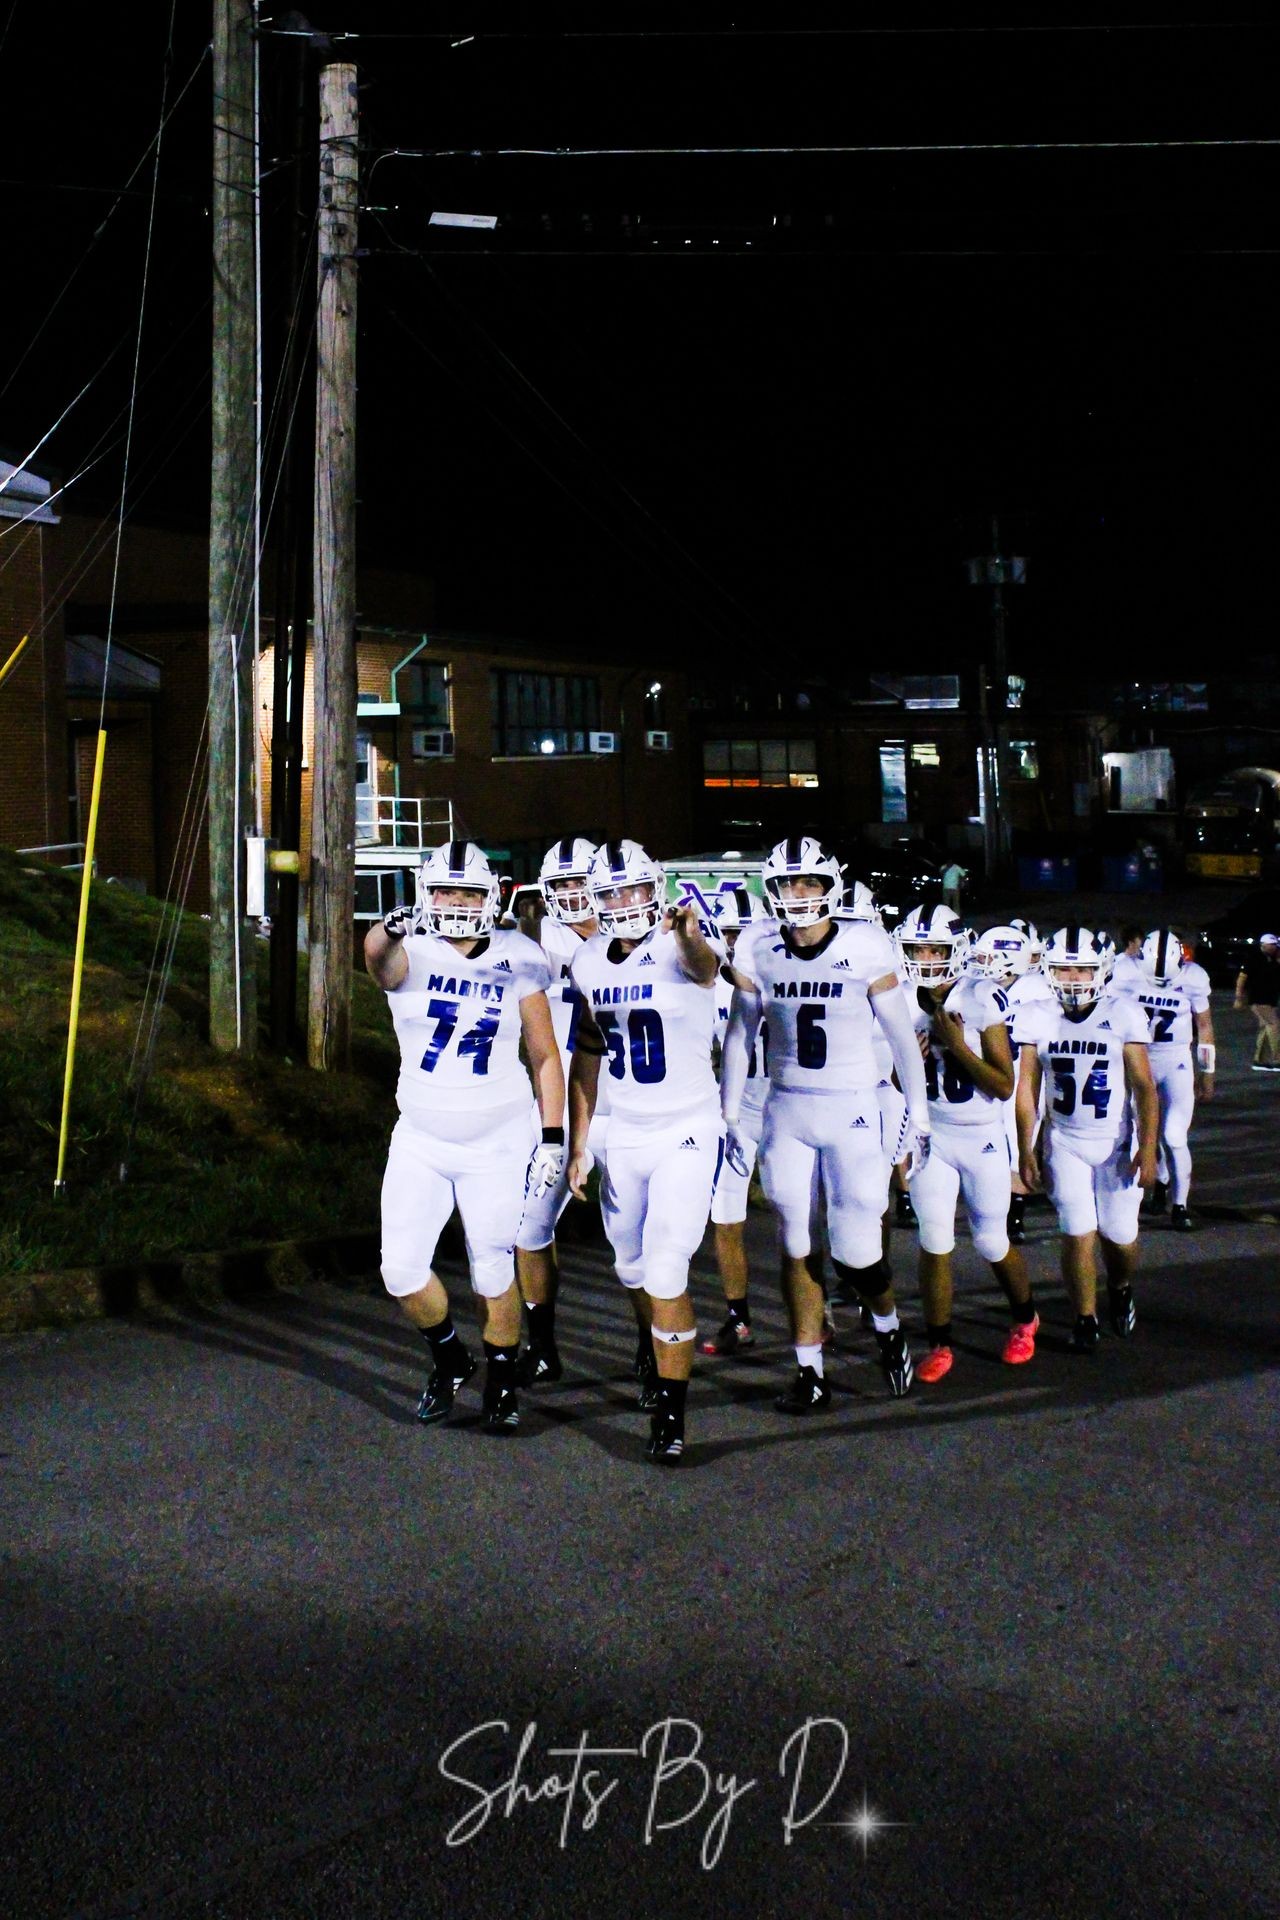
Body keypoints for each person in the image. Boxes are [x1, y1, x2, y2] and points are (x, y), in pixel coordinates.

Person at [720, 836, 931, 1410]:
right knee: (794, 1242)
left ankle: (888, 1327)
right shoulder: (758, 945)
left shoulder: (863, 943)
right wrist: (729, 1115)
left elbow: (900, 1039)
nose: (798, 894)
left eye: (809, 882)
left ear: (830, 886)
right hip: (787, 1107)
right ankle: (810, 1370)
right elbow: (740, 1038)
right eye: (787, 884)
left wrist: (920, 1115)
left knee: (857, 1250)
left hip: (853, 1106)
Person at [365, 840, 565, 1433]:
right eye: (445, 891)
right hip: (422, 1135)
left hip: (498, 1137)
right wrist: (385, 928)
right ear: (425, 896)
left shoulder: (519, 955)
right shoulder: (411, 949)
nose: (456, 902)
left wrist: (552, 1137)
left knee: (492, 1269)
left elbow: (545, 1055)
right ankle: (450, 1356)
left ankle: (502, 1382)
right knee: (399, 1270)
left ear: (490, 896)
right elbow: (378, 960)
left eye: (468, 891)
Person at [565, 838, 723, 1466]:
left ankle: (670, 1410)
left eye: (634, 889)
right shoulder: (587, 961)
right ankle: (652, 1340)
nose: (626, 903)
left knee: (664, 1268)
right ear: (597, 901)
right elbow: (587, 1054)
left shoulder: (681, 942)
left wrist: (685, 932)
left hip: (687, 1126)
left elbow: (706, 967)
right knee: (629, 1267)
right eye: (613, 893)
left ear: (654, 888)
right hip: (625, 1130)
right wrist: (580, 1143)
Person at [897, 907, 1040, 1380]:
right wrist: (907, 1068)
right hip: (932, 1135)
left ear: (956, 948)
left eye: (935, 948)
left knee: (990, 1239)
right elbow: (898, 1082)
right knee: (933, 1239)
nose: (926, 958)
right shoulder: (900, 996)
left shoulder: (980, 996)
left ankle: (1025, 1317)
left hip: (979, 1137)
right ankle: (939, 1343)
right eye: (918, 949)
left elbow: (1002, 1084)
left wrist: (955, 1046)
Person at [1014, 927, 1159, 1351]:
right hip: (1065, 1139)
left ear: (1102, 970)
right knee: (1077, 1230)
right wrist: (1025, 1147)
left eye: (1082, 970)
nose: (1073, 979)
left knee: (1119, 1236)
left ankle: (1120, 1284)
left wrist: (1147, 1149)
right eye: (1063, 968)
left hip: (1115, 1140)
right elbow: (1027, 1088)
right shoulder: (1036, 1014)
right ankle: (1085, 1317)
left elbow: (1144, 1088)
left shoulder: (1124, 1012)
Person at [514, 837, 609, 1383]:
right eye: (563, 884)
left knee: (635, 1244)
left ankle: (651, 1348)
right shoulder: (529, 941)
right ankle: (543, 1344)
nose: (574, 895)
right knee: (529, 1228)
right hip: (556, 1099)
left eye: (582, 881)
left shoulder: (635, 935)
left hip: (624, 1099)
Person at [703, 886, 772, 1357]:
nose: (736, 941)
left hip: (788, 1103)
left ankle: (824, 1311)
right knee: (725, 1216)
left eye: (744, 931)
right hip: (735, 1111)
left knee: (803, 1220)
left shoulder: (782, 970)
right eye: (730, 931)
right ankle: (739, 1318)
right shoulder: (705, 984)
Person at [1113, 928, 1214, 1230]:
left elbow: (1205, 1027)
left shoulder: (1194, 977)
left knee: (1174, 1136)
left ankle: (1179, 1204)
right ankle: (1154, 1184)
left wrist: (1208, 1071)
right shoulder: (1124, 971)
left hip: (1176, 1060)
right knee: (1136, 1129)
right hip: (1137, 1058)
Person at [974, 923, 1052, 1245]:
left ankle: (1014, 1213)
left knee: (1018, 1143)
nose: (981, 962)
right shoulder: (976, 988)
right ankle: (996, 1207)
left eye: (989, 955)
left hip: (1024, 1076)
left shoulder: (1038, 991)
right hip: (988, 1078)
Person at [1234, 933, 1280, 1071]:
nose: (1274, 948)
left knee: (1265, 1028)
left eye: (1275, 946)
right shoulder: (1254, 958)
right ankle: (1277, 1059)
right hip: (1259, 999)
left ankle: (1259, 1060)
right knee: (1274, 1025)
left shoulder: (1272, 959)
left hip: (1269, 999)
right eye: (1272, 945)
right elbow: (1241, 978)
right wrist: (1238, 998)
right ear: (1263, 944)